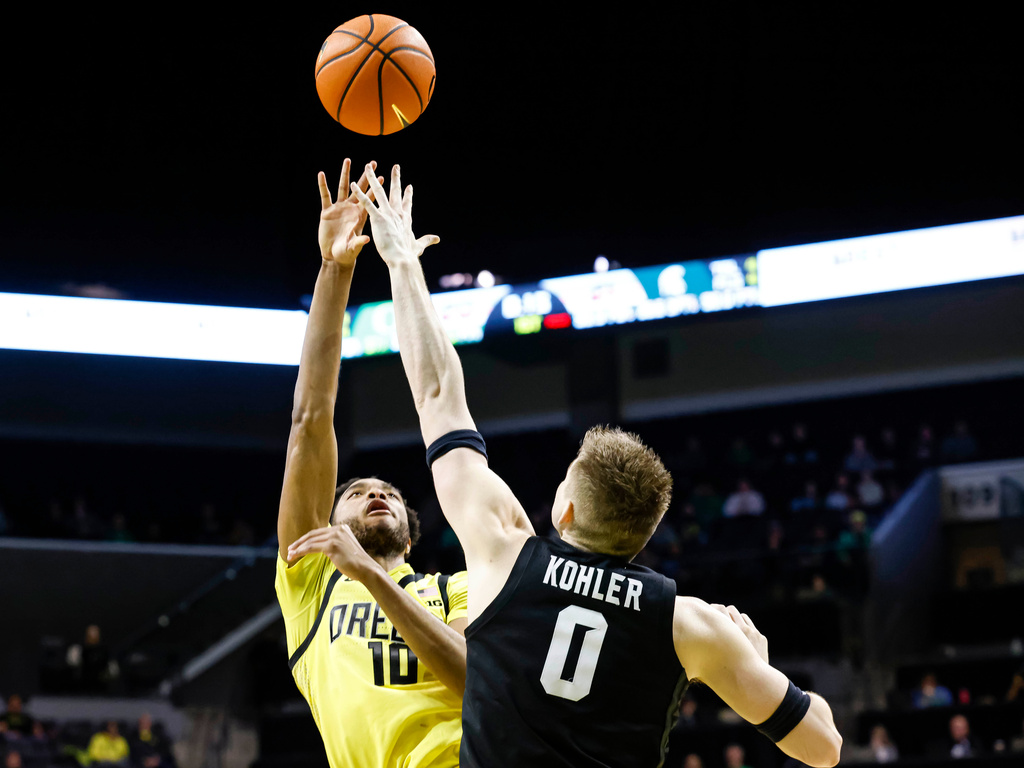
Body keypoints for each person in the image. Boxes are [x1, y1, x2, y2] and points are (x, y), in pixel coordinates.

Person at [352, 164, 843, 768]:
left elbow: (436, 394)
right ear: (642, 536)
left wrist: (402, 261)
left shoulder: (503, 550)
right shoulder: (686, 622)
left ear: (567, 509)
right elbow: (824, 747)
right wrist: (758, 664)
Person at [275, 160, 468, 768]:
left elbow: (479, 681)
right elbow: (311, 419)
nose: (377, 493)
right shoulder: (311, 583)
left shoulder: (455, 589)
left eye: (386, 491)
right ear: (327, 521)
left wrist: (372, 577)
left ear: (410, 534)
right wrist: (335, 268)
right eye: (358, 490)